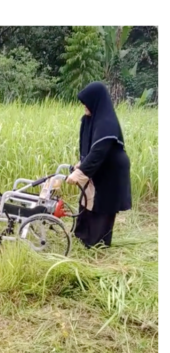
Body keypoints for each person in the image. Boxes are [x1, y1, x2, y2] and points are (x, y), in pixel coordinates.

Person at [66, 81, 131, 248]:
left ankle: (97, 243)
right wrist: (81, 164)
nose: (84, 107)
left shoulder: (106, 123)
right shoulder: (90, 119)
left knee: (102, 204)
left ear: (96, 101)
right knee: (87, 199)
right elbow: (88, 147)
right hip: (99, 165)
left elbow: (99, 151)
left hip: (112, 169)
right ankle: (82, 235)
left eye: (86, 103)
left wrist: (79, 173)